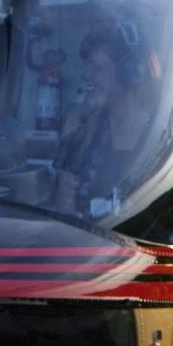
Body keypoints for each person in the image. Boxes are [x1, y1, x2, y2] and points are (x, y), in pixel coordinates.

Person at [54, 27, 152, 221]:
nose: (88, 76)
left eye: (98, 68)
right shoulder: (83, 128)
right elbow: (60, 203)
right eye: (87, 67)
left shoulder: (159, 131)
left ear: (128, 74)